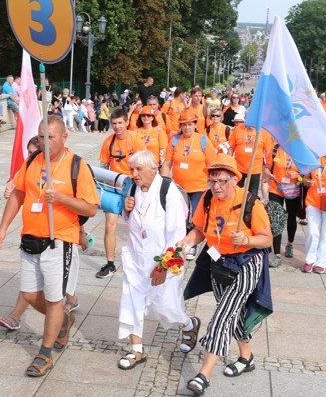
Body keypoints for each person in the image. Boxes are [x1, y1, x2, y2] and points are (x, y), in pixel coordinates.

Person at [0, 116, 99, 377]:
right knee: (29, 294)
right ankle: (63, 320)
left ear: (64, 137)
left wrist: (61, 197)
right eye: (41, 136)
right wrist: (3, 227)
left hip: (59, 241)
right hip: (30, 238)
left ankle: (45, 352)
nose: (44, 142)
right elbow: (18, 193)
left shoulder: (77, 166)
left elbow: (91, 208)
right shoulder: (31, 160)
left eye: (49, 137)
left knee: (54, 300)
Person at [177, 154, 273, 396]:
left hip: (247, 262)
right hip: (217, 261)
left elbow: (267, 238)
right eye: (212, 181)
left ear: (235, 180)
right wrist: (186, 243)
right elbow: (200, 230)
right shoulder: (208, 199)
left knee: (221, 316)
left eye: (221, 181)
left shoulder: (251, 203)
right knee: (233, 312)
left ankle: (203, 375)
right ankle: (247, 357)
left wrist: (248, 239)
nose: (216, 186)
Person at [117, 150, 201, 369]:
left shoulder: (168, 191)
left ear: (153, 169)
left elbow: (176, 234)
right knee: (131, 302)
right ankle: (136, 350)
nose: (134, 174)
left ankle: (188, 324)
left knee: (166, 308)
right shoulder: (134, 187)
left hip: (165, 261)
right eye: (131, 169)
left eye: (138, 169)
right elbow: (133, 222)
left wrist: (163, 266)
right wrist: (126, 210)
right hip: (136, 259)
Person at [97, 109, 146, 278]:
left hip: (133, 185)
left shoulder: (135, 140)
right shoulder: (107, 142)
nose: (117, 127)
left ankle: (141, 260)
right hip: (114, 186)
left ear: (126, 122)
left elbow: (143, 164)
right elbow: (103, 167)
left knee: (137, 224)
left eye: (120, 123)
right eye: (114, 123)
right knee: (110, 224)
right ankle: (110, 263)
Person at [160, 112, 216, 256]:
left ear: (195, 125)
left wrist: (213, 185)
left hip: (199, 187)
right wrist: (163, 183)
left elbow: (212, 164)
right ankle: (179, 242)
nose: (187, 128)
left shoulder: (203, 141)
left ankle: (191, 244)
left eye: (190, 124)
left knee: (195, 217)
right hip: (179, 187)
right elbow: (167, 163)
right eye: (184, 125)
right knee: (180, 216)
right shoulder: (174, 141)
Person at [262, 143, 303, 266]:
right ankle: (277, 254)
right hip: (276, 188)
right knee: (276, 218)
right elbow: (266, 167)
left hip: (293, 189)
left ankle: (290, 243)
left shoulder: (300, 149)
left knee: (291, 218)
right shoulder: (275, 148)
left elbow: (307, 172)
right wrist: (267, 173)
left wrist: (298, 175)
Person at [228, 113, 268, 196]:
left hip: (255, 169)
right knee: (236, 192)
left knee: (252, 195)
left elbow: (268, 152)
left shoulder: (263, 132)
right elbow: (231, 147)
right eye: (248, 118)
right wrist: (229, 165)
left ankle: (249, 208)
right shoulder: (238, 129)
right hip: (238, 168)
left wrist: (267, 169)